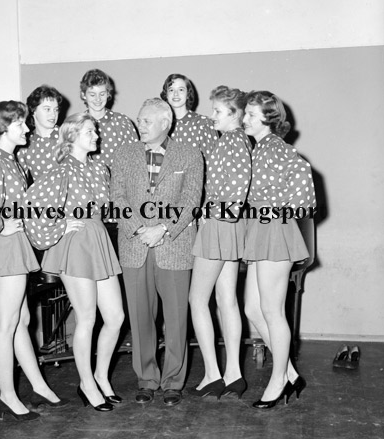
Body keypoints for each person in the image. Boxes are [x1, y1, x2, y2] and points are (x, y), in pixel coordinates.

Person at [0, 101, 65, 421]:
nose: (27, 129)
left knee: (21, 321)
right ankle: (7, 396)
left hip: (13, 246)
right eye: (20, 124)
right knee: (7, 324)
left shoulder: (11, 160)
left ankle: (38, 386)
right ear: (4, 129)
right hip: (6, 249)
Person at [24, 113, 124, 412]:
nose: (96, 136)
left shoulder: (99, 168)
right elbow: (30, 204)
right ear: (72, 137)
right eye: (90, 132)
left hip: (99, 240)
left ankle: (101, 377)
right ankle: (87, 384)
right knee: (87, 318)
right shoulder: (61, 171)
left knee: (116, 317)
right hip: (76, 244)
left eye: (95, 131)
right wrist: (59, 226)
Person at [111, 98, 204, 407]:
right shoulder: (124, 153)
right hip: (134, 245)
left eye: (146, 120)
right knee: (140, 318)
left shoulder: (189, 154)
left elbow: (191, 200)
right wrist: (139, 229)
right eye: (140, 119)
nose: (140, 124)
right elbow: (117, 197)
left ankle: (173, 382)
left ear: (165, 123)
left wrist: (163, 228)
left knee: (176, 319)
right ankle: (146, 380)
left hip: (173, 246)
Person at [242, 91, 316, 409]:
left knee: (272, 311)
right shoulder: (259, 147)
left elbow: (303, 175)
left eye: (250, 114)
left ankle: (278, 381)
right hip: (260, 229)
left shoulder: (275, 146)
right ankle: (290, 373)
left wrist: (284, 210)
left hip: (275, 231)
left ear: (268, 119)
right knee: (253, 309)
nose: (244, 119)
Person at [0, 85, 64, 320]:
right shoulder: (9, 155)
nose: (53, 114)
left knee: (21, 320)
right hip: (25, 224)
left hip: (49, 212)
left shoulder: (62, 138)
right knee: (11, 321)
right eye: (47, 108)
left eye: (55, 109)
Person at [188, 86, 252, 399]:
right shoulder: (237, 140)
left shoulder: (232, 141)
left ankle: (213, 374)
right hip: (229, 227)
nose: (211, 115)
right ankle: (234, 374)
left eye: (217, 111)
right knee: (227, 301)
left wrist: (206, 213)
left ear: (235, 114)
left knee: (197, 300)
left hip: (219, 226)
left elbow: (235, 196)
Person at [80, 69, 138, 170]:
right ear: (83, 95)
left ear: (108, 94)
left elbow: (135, 158)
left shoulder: (122, 122)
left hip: (118, 179)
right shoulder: (77, 124)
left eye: (102, 94)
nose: (98, 99)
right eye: (92, 94)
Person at [160, 73, 218, 162]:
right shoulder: (160, 125)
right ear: (166, 95)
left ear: (188, 94)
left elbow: (213, 160)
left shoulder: (203, 123)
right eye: (171, 90)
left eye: (181, 90)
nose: (176, 94)